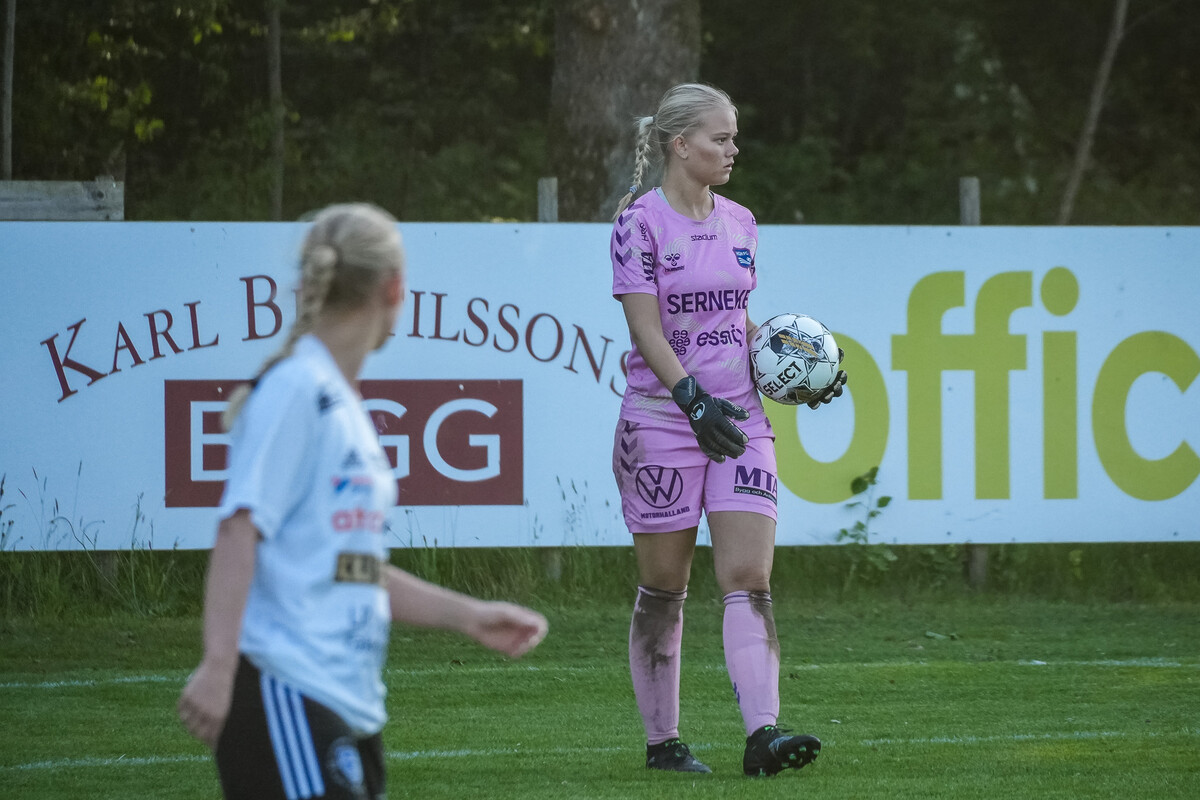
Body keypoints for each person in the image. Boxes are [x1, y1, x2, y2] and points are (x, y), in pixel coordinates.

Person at [178, 203, 549, 800]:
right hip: (286, 691)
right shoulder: (297, 389)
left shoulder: (341, 401)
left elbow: (350, 567)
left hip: (347, 703)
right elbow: (238, 530)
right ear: (394, 289)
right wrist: (219, 665)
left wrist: (467, 616)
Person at [609, 84, 846, 777]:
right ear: (681, 145)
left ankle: (762, 736)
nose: (733, 149)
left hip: (741, 421)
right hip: (663, 421)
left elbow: (736, 320)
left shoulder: (741, 222)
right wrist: (691, 399)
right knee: (664, 588)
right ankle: (664, 744)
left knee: (750, 577)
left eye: (734, 137)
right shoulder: (638, 224)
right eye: (721, 138)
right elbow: (645, 328)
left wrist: (796, 368)